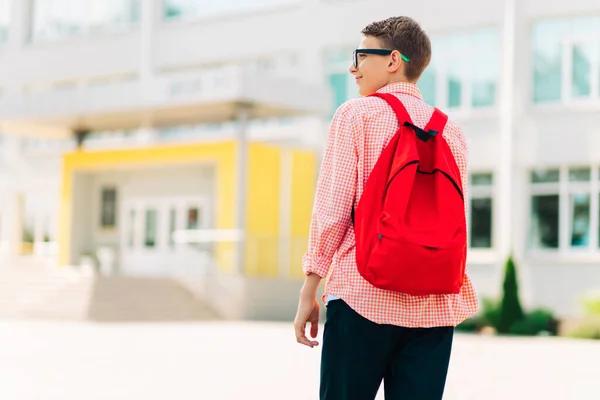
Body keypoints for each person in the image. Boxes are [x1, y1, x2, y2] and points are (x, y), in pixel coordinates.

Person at [293, 16, 478, 400]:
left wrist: (310, 286)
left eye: (361, 56)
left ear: (393, 60)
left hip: (363, 294)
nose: (353, 67)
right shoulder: (451, 130)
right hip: (435, 305)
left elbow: (332, 206)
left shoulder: (355, 115)